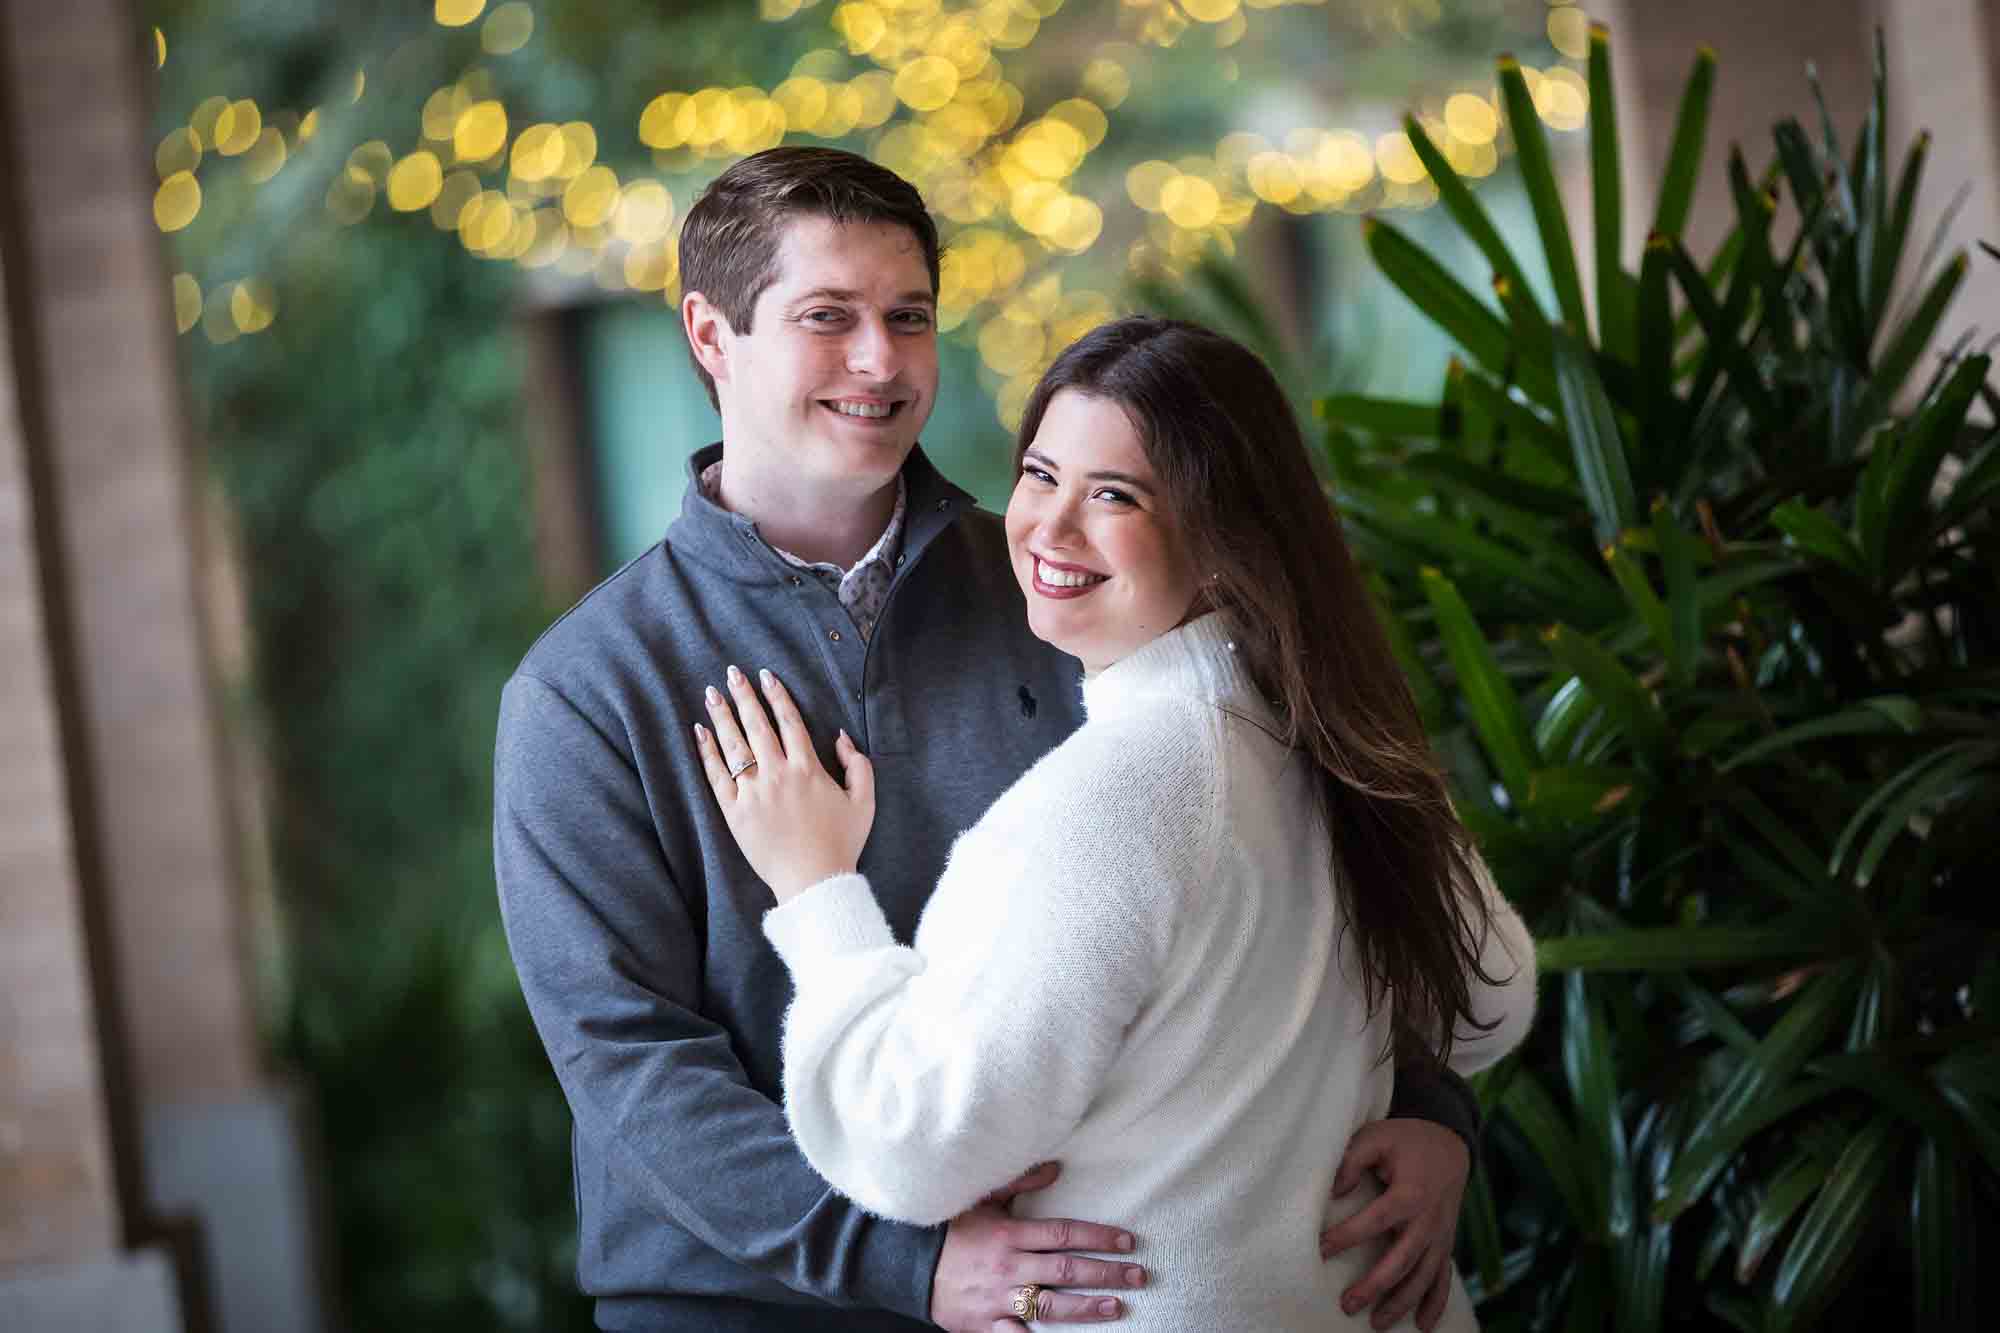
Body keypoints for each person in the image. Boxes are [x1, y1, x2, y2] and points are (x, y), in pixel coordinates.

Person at [495, 148, 1489, 1333]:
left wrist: (1431, 1107)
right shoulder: (586, 689)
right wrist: (905, 1262)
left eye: (906, 317)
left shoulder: (1070, 586)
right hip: (742, 1310)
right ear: (711, 334)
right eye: (828, 318)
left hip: (1076, 1293)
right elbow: (631, 1063)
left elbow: (1323, 838)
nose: (878, 361)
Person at [692, 315, 1539, 1331]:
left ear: (1222, 540)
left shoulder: (1101, 806)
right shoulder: (1336, 736)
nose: (1049, 527)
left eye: (1113, 495)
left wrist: (817, 891)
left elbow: (909, 1141)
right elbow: (1490, 996)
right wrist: (1408, 1112)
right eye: (1041, 475)